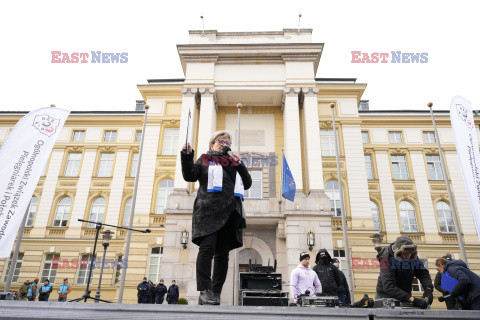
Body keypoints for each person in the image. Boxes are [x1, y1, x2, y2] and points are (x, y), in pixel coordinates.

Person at [181, 131, 252, 305]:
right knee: (207, 249)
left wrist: (240, 164)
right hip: (209, 211)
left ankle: (215, 292)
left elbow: (248, 183)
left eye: (228, 142)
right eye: (220, 141)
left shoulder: (233, 163)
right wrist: (187, 156)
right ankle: (204, 290)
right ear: (212, 144)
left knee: (223, 255)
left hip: (230, 212)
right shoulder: (205, 159)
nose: (224, 144)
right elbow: (190, 175)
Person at [375, 236, 434, 309]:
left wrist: (428, 289)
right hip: (385, 296)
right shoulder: (386, 258)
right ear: (398, 252)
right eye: (405, 254)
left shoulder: (412, 255)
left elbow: (423, 273)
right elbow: (388, 286)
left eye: (410, 254)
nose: (408, 256)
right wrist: (412, 299)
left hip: (405, 293)